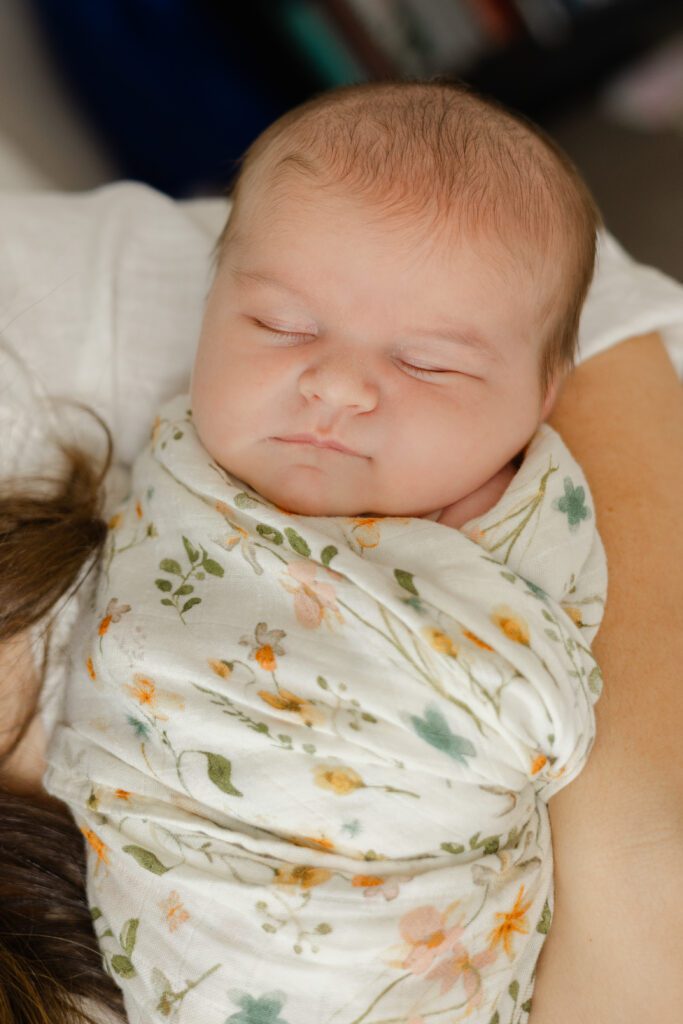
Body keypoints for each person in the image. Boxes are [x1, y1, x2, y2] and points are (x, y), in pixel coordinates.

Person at [0, 81, 680, 1024]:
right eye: (280, 326)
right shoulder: (182, 466)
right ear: (210, 307)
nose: (335, 384)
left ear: (539, 396)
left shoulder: (529, 523)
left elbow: (547, 711)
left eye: (426, 364)